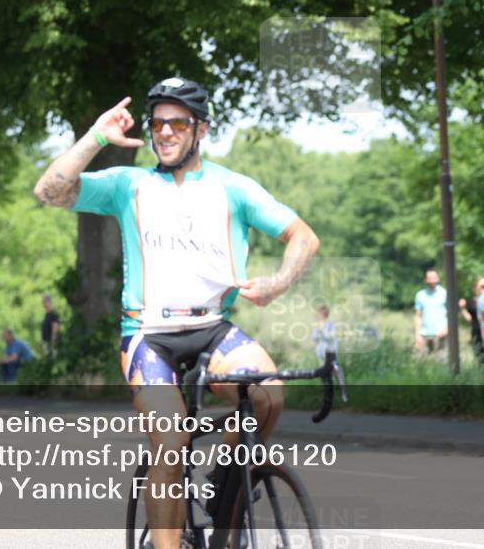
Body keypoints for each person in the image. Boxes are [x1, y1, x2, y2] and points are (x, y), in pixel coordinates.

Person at [33, 77, 319, 549]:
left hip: (213, 327)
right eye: (157, 123)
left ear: (200, 129)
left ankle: (224, 502)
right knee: (171, 439)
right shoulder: (131, 184)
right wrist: (96, 137)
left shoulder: (233, 187)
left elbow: (303, 237)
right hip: (148, 335)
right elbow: (49, 191)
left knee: (268, 396)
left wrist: (278, 282)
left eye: (177, 123)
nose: (165, 132)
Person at [414, 268, 448, 355]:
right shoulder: (420, 295)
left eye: (434, 277)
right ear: (426, 280)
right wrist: (417, 335)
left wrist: (446, 328)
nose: (432, 280)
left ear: (438, 278)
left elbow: (451, 314)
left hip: (441, 334)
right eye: (430, 278)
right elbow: (418, 316)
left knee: (441, 363)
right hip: (424, 334)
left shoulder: (444, 293)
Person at [458, 276, 484, 368]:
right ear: (476, 288)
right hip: (477, 334)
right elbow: (470, 319)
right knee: (480, 359)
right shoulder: (472, 302)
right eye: (482, 286)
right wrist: (462, 308)